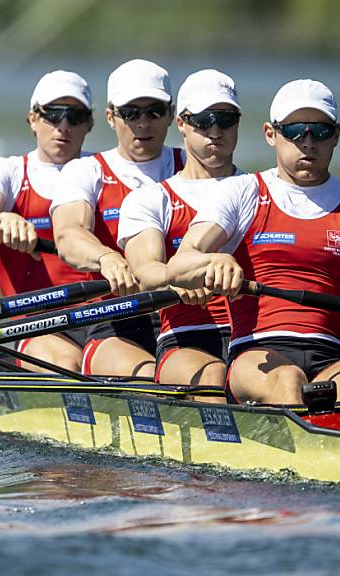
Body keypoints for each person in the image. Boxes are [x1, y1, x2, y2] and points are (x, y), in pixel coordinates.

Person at [167, 79, 340, 406]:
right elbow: (180, 263)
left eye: (320, 131)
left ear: (336, 135)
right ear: (271, 134)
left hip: (333, 357)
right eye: (295, 131)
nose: (307, 142)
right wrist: (214, 262)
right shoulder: (242, 192)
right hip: (257, 356)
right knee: (288, 378)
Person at [51, 59, 185, 377]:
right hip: (115, 320)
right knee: (154, 376)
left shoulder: (194, 169)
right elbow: (68, 235)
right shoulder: (86, 171)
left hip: (189, 319)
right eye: (130, 112)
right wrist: (106, 257)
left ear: (171, 114)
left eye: (153, 111)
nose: (142, 122)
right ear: (111, 117)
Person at [0, 70, 95, 371]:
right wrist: (3, 222)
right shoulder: (6, 171)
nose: (63, 126)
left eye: (74, 116)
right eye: (52, 114)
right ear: (33, 119)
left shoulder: (103, 170)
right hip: (39, 325)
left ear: (89, 123)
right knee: (67, 364)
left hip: (108, 319)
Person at [118, 69, 242, 392]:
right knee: (215, 377)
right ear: (182, 124)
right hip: (187, 340)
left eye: (226, 119)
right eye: (203, 120)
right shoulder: (150, 199)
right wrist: (182, 277)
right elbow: (147, 273)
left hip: (257, 337)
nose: (215, 130)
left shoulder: (261, 191)